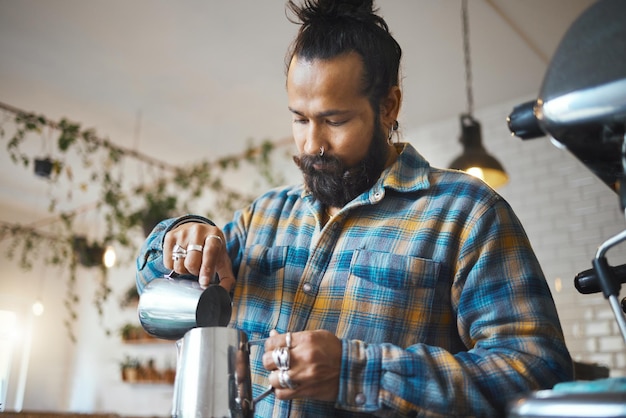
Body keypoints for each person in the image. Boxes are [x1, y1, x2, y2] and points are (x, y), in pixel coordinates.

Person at [136, 0, 573, 416]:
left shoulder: (468, 214)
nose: (312, 144)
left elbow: (537, 373)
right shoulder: (262, 218)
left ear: (388, 106)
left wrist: (357, 372)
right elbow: (152, 282)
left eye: (334, 120)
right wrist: (183, 235)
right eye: (300, 118)